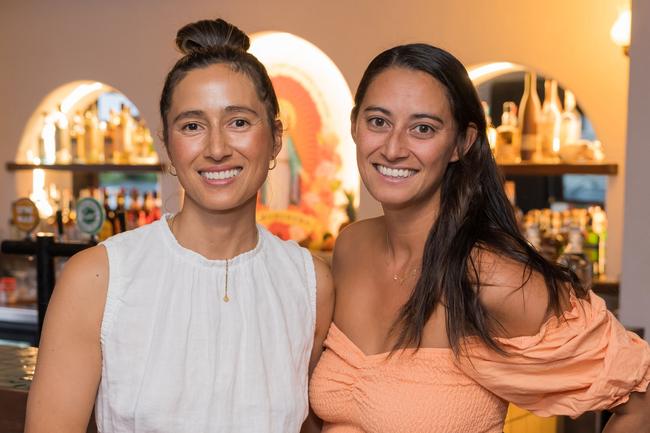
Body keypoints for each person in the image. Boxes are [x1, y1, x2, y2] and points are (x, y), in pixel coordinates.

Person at [308, 44, 649, 433]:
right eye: (378, 121)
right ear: (354, 125)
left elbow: (639, 400)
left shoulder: (490, 276)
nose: (393, 148)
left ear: (462, 142)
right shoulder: (351, 245)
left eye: (423, 128)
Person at [25, 18, 333, 433]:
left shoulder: (309, 282)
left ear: (276, 138)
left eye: (239, 121)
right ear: (168, 145)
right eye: (192, 126)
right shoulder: (98, 278)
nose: (217, 148)